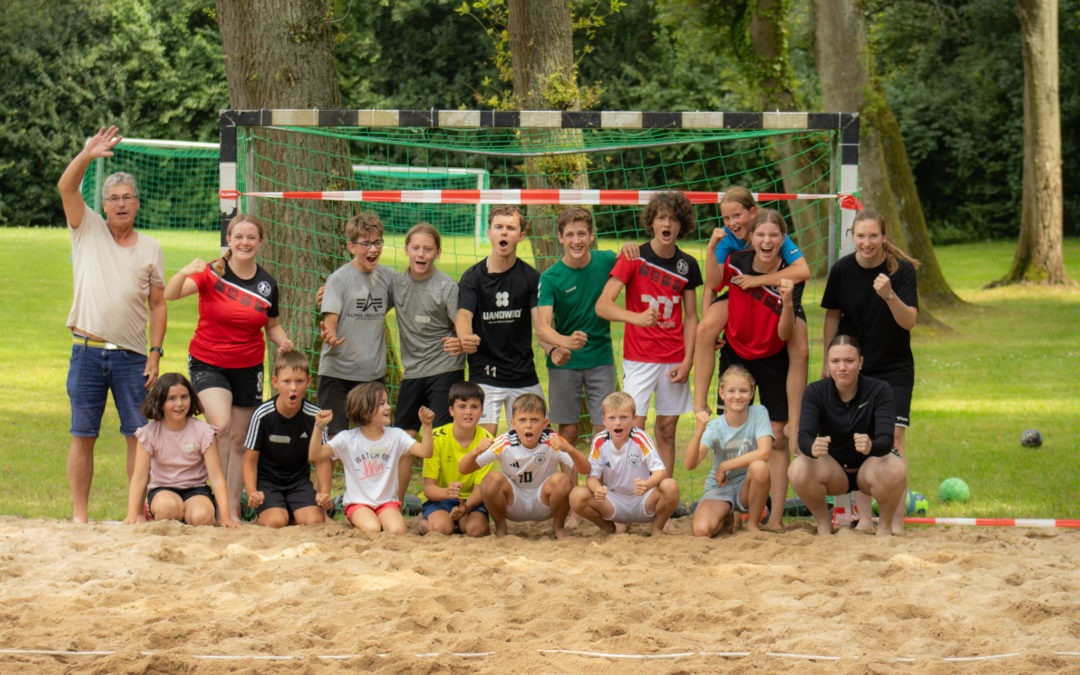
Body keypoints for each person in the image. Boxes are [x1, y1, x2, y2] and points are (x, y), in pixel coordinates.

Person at [58, 125, 167, 523]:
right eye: (114, 198)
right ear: (103, 205)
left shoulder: (151, 248)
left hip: (132, 357)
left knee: (138, 436)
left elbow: (158, 305)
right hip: (86, 351)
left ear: (137, 204)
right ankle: (80, 517)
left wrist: (155, 353)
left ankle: (134, 514)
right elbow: (66, 187)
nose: (121, 204)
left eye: (127, 198)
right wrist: (87, 154)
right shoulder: (86, 229)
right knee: (82, 434)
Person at [165, 213, 293, 522]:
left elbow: (271, 325)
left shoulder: (267, 284)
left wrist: (284, 342)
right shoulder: (212, 272)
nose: (245, 242)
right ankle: (215, 501)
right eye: (239, 237)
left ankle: (233, 509)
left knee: (239, 439)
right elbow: (169, 294)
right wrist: (184, 271)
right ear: (229, 240)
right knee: (219, 427)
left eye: (251, 237)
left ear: (261, 242)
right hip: (208, 361)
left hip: (248, 366)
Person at [821, 209, 919, 533]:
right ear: (852, 237)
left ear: (884, 237)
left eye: (873, 236)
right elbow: (832, 318)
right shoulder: (841, 271)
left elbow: (909, 321)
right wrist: (829, 361)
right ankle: (863, 518)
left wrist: (889, 294)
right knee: (855, 436)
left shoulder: (900, 271)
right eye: (860, 236)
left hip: (894, 366)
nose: (866, 242)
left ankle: (896, 520)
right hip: (856, 365)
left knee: (893, 437)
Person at [595, 191, 702, 478]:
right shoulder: (634, 256)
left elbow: (691, 316)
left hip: (674, 359)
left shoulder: (688, 265)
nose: (668, 224)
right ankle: (632, 493)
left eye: (674, 219)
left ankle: (662, 496)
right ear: (652, 222)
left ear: (682, 225)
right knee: (632, 429)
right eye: (662, 218)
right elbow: (603, 305)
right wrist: (636, 318)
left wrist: (688, 359)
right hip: (640, 358)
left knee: (667, 430)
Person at [714, 209, 805, 531]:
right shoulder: (736, 260)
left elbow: (786, 335)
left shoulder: (791, 274)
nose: (767, 241)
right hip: (738, 351)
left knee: (777, 438)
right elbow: (713, 285)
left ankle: (776, 517)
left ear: (784, 239)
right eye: (761, 234)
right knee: (732, 434)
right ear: (751, 237)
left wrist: (784, 298)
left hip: (773, 353)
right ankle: (734, 512)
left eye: (774, 235)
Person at [692, 187, 811, 427]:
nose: (732, 222)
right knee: (704, 330)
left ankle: (795, 422)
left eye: (737, 216)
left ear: (752, 213)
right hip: (740, 291)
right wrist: (711, 327)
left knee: (800, 349)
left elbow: (803, 270)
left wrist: (758, 280)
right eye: (726, 218)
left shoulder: (770, 232)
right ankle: (699, 404)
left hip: (779, 295)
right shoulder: (725, 238)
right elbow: (713, 285)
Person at [788, 335, 907, 537]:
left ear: (860, 362)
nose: (842, 367)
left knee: (895, 466)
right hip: (834, 471)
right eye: (835, 361)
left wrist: (871, 445)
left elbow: (887, 440)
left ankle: (885, 527)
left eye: (849, 361)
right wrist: (812, 447)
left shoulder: (879, 390)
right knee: (799, 467)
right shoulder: (815, 391)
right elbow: (804, 436)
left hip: (869, 468)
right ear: (828, 364)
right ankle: (824, 525)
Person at [456, 206, 551, 435]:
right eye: (499, 227)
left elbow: (541, 325)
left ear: (521, 235)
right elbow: (463, 316)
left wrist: (553, 348)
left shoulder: (531, 277)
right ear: (489, 233)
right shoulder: (473, 277)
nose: (504, 233)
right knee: (483, 440)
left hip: (523, 374)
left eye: (511, 228)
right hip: (485, 373)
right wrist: (465, 337)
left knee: (538, 437)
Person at [389, 222, 465, 504]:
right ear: (407, 249)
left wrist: (461, 339)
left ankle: (444, 501)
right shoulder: (397, 284)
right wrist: (331, 294)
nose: (421, 254)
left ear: (438, 253)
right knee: (404, 440)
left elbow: (463, 325)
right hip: (413, 373)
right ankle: (394, 502)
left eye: (428, 249)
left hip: (446, 370)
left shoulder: (446, 286)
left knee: (441, 439)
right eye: (416, 248)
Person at [534, 207, 618, 448]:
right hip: (565, 362)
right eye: (570, 235)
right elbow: (542, 327)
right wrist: (563, 342)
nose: (576, 241)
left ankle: (599, 485)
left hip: (600, 359)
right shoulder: (551, 277)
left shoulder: (608, 260)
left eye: (582, 234)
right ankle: (569, 486)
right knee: (567, 432)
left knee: (605, 431)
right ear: (560, 238)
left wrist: (632, 250)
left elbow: (636, 263)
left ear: (591, 235)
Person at [458, 393, 590, 539]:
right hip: (513, 502)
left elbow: (585, 469)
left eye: (534, 420)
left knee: (562, 480)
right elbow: (464, 469)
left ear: (545, 423)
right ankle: (501, 527)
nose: (528, 425)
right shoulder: (504, 442)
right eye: (522, 420)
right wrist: (476, 450)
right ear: (513, 424)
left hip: (544, 503)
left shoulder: (552, 440)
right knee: (491, 479)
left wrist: (570, 449)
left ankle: (558, 527)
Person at [310, 383, 435, 534]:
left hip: (387, 503)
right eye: (382, 403)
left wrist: (427, 426)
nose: (388, 407)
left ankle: (382, 518)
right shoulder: (347, 439)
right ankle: (365, 519)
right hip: (358, 504)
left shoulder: (396, 435)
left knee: (397, 530)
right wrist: (319, 427)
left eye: (387, 402)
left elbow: (425, 452)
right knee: (372, 528)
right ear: (365, 412)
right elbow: (315, 455)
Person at [122, 373, 237, 528]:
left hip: (196, 490)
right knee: (167, 509)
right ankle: (163, 512)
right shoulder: (148, 434)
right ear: (160, 401)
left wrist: (225, 516)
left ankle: (188, 514)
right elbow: (139, 478)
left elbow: (216, 477)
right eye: (172, 398)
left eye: (184, 397)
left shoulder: (203, 431)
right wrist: (132, 514)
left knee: (201, 517)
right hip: (163, 490)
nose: (179, 404)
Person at [318, 212, 395, 437]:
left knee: (377, 436)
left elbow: (411, 294)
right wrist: (330, 334)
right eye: (366, 244)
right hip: (338, 372)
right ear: (351, 247)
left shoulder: (389, 278)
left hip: (372, 373)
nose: (373, 249)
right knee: (333, 438)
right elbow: (330, 319)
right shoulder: (339, 279)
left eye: (377, 242)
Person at [242, 351, 333, 528]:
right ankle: (274, 509)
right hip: (268, 482)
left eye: (299, 381)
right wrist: (253, 492)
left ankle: (292, 508)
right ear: (275, 382)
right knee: (276, 521)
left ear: (308, 382)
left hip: (298, 482)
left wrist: (325, 493)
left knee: (314, 521)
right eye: (287, 381)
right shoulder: (262, 415)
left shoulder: (316, 417)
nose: (293, 388)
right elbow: (249, 461)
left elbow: (322, 460)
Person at [569, 392, 680, 536]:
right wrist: (597, 489)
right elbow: (592, 477)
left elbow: (661, 472)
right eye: (612, 418)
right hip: (614, 502)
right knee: (577, 495)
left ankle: (657, 527)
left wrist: (647, 485)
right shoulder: (599, 441)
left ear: (634, 418)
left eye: (623, 417)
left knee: (670, 485)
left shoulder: (641, 438)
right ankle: (607, 527)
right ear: (604, 420)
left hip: (643, 500)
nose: (618, 423)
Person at [683, 366, 772, 537]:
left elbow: (764, 452)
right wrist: (698, 431)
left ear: (752, 392)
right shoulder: (715, 426)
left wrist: (725, 465)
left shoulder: (759, 413)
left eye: (743, 391)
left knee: (759, 467)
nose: (737, 396)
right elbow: (689, 464)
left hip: (747, 485)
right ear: (721, 393)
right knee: (701, 531)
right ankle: (727, 516)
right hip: (720, 486)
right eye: (731, 391)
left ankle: (752, 524)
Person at [414, 381, 494, 537]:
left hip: (469, 501)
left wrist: (464, 509)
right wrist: (447, 492)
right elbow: (429, 489)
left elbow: (479, 490)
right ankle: (422, 522)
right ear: (451, 410)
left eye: (474, 407)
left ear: (482, 411)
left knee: (476, 530)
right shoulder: (436, 438)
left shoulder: (487, 441)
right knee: (442, 529)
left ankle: (461, 521)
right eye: (462, 406)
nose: (468, 412)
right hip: (441, 498)